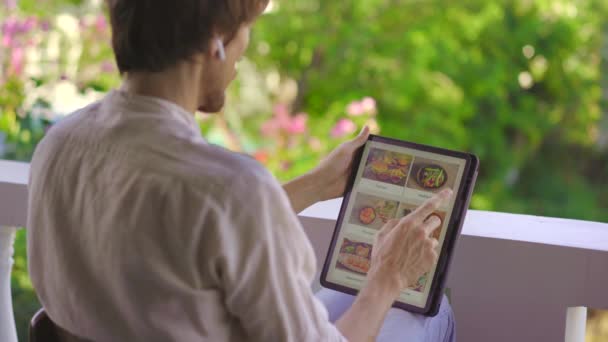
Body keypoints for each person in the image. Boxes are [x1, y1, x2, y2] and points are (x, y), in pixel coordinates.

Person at [26, 1, 455, 341]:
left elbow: (177, 236)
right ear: (215, 42)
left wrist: (317, 184)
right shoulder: (229, 188)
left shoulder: (61, 145)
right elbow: (220, 210)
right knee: (429, 313)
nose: (243, 54)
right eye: (245, 33)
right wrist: (390, 275)